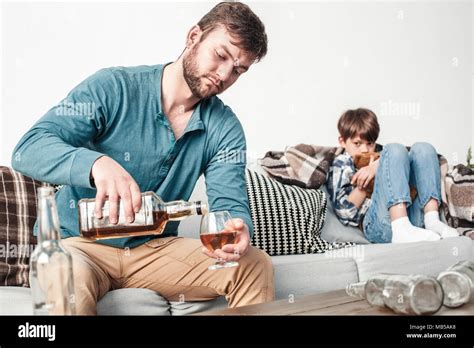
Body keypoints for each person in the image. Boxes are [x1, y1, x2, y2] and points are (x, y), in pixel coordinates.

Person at [12, 1, 274, 314]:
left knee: (253, 264)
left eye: (238, 69)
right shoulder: (113, 88)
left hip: (154, 250)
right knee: (66, 279)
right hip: (78, 246)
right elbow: (29, 148)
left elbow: (229, 204)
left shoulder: (225, 127)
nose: (224, 74)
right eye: (220, 55)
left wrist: (239, 226)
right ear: (193, 36)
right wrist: (96, 164)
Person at [326, 108, 460, 244]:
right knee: (394, 148)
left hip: (414, 221)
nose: (365, 149)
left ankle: (432, 220)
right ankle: (400, 226)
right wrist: (365, 184)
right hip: (380, 225)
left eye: (370, 143)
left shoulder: (383, 155)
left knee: (423, 148)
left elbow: (405, 161)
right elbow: (344, 213)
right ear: (342, 141)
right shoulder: (341, 162)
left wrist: (375, 167)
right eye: (357, 143)